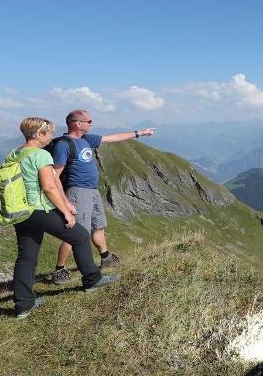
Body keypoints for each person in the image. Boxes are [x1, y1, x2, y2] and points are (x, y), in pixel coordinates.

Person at [9, 117, 119, 318]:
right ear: (38, 135)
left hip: (19, 211)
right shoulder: (40, 155)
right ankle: (92, 280)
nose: (51, 136)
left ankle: (24, 305)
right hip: (38, 208)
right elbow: (50, 187)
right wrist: (66, 211)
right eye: (48, 133)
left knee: (26, 257)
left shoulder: (15, 153)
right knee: (80, 236)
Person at [49, 109, 154, 284]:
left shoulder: (86, 140)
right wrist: (65, 201)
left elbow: (112, 138)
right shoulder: (64, 144)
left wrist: (140, 133)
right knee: (76, 232)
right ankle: (59, 270)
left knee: (98, 226)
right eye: (89, 121)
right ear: (77, 123)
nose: (92, 123)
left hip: (92, 190)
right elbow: (55, 175)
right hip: (78, 192)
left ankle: (106, 258)